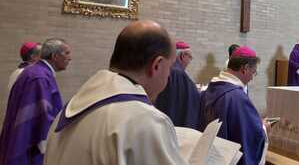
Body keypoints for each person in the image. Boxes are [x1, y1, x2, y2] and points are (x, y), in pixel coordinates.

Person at [44, 20, 188, 165]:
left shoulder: (70, 108)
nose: (169, 77)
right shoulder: (145, 121)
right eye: (169, 67)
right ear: (156, 65)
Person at [0, 38, 71, 165]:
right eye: (67, 53)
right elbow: (42, 119)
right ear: (55, 56)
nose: (70, 58)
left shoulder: (36, 72)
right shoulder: (40, 78)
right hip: (29, 148)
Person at [200, 46, 268, 165]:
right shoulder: (236, 97)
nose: (252, 77)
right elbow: (250, 135)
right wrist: (264, 128)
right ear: (245, 68)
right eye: (253, 72)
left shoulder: (210, 88)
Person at [155, 41, 201, 129]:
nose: (189, 61)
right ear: (183, 56)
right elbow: (192, 97)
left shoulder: (169, 69)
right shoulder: (177, 73)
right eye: (190, 58)